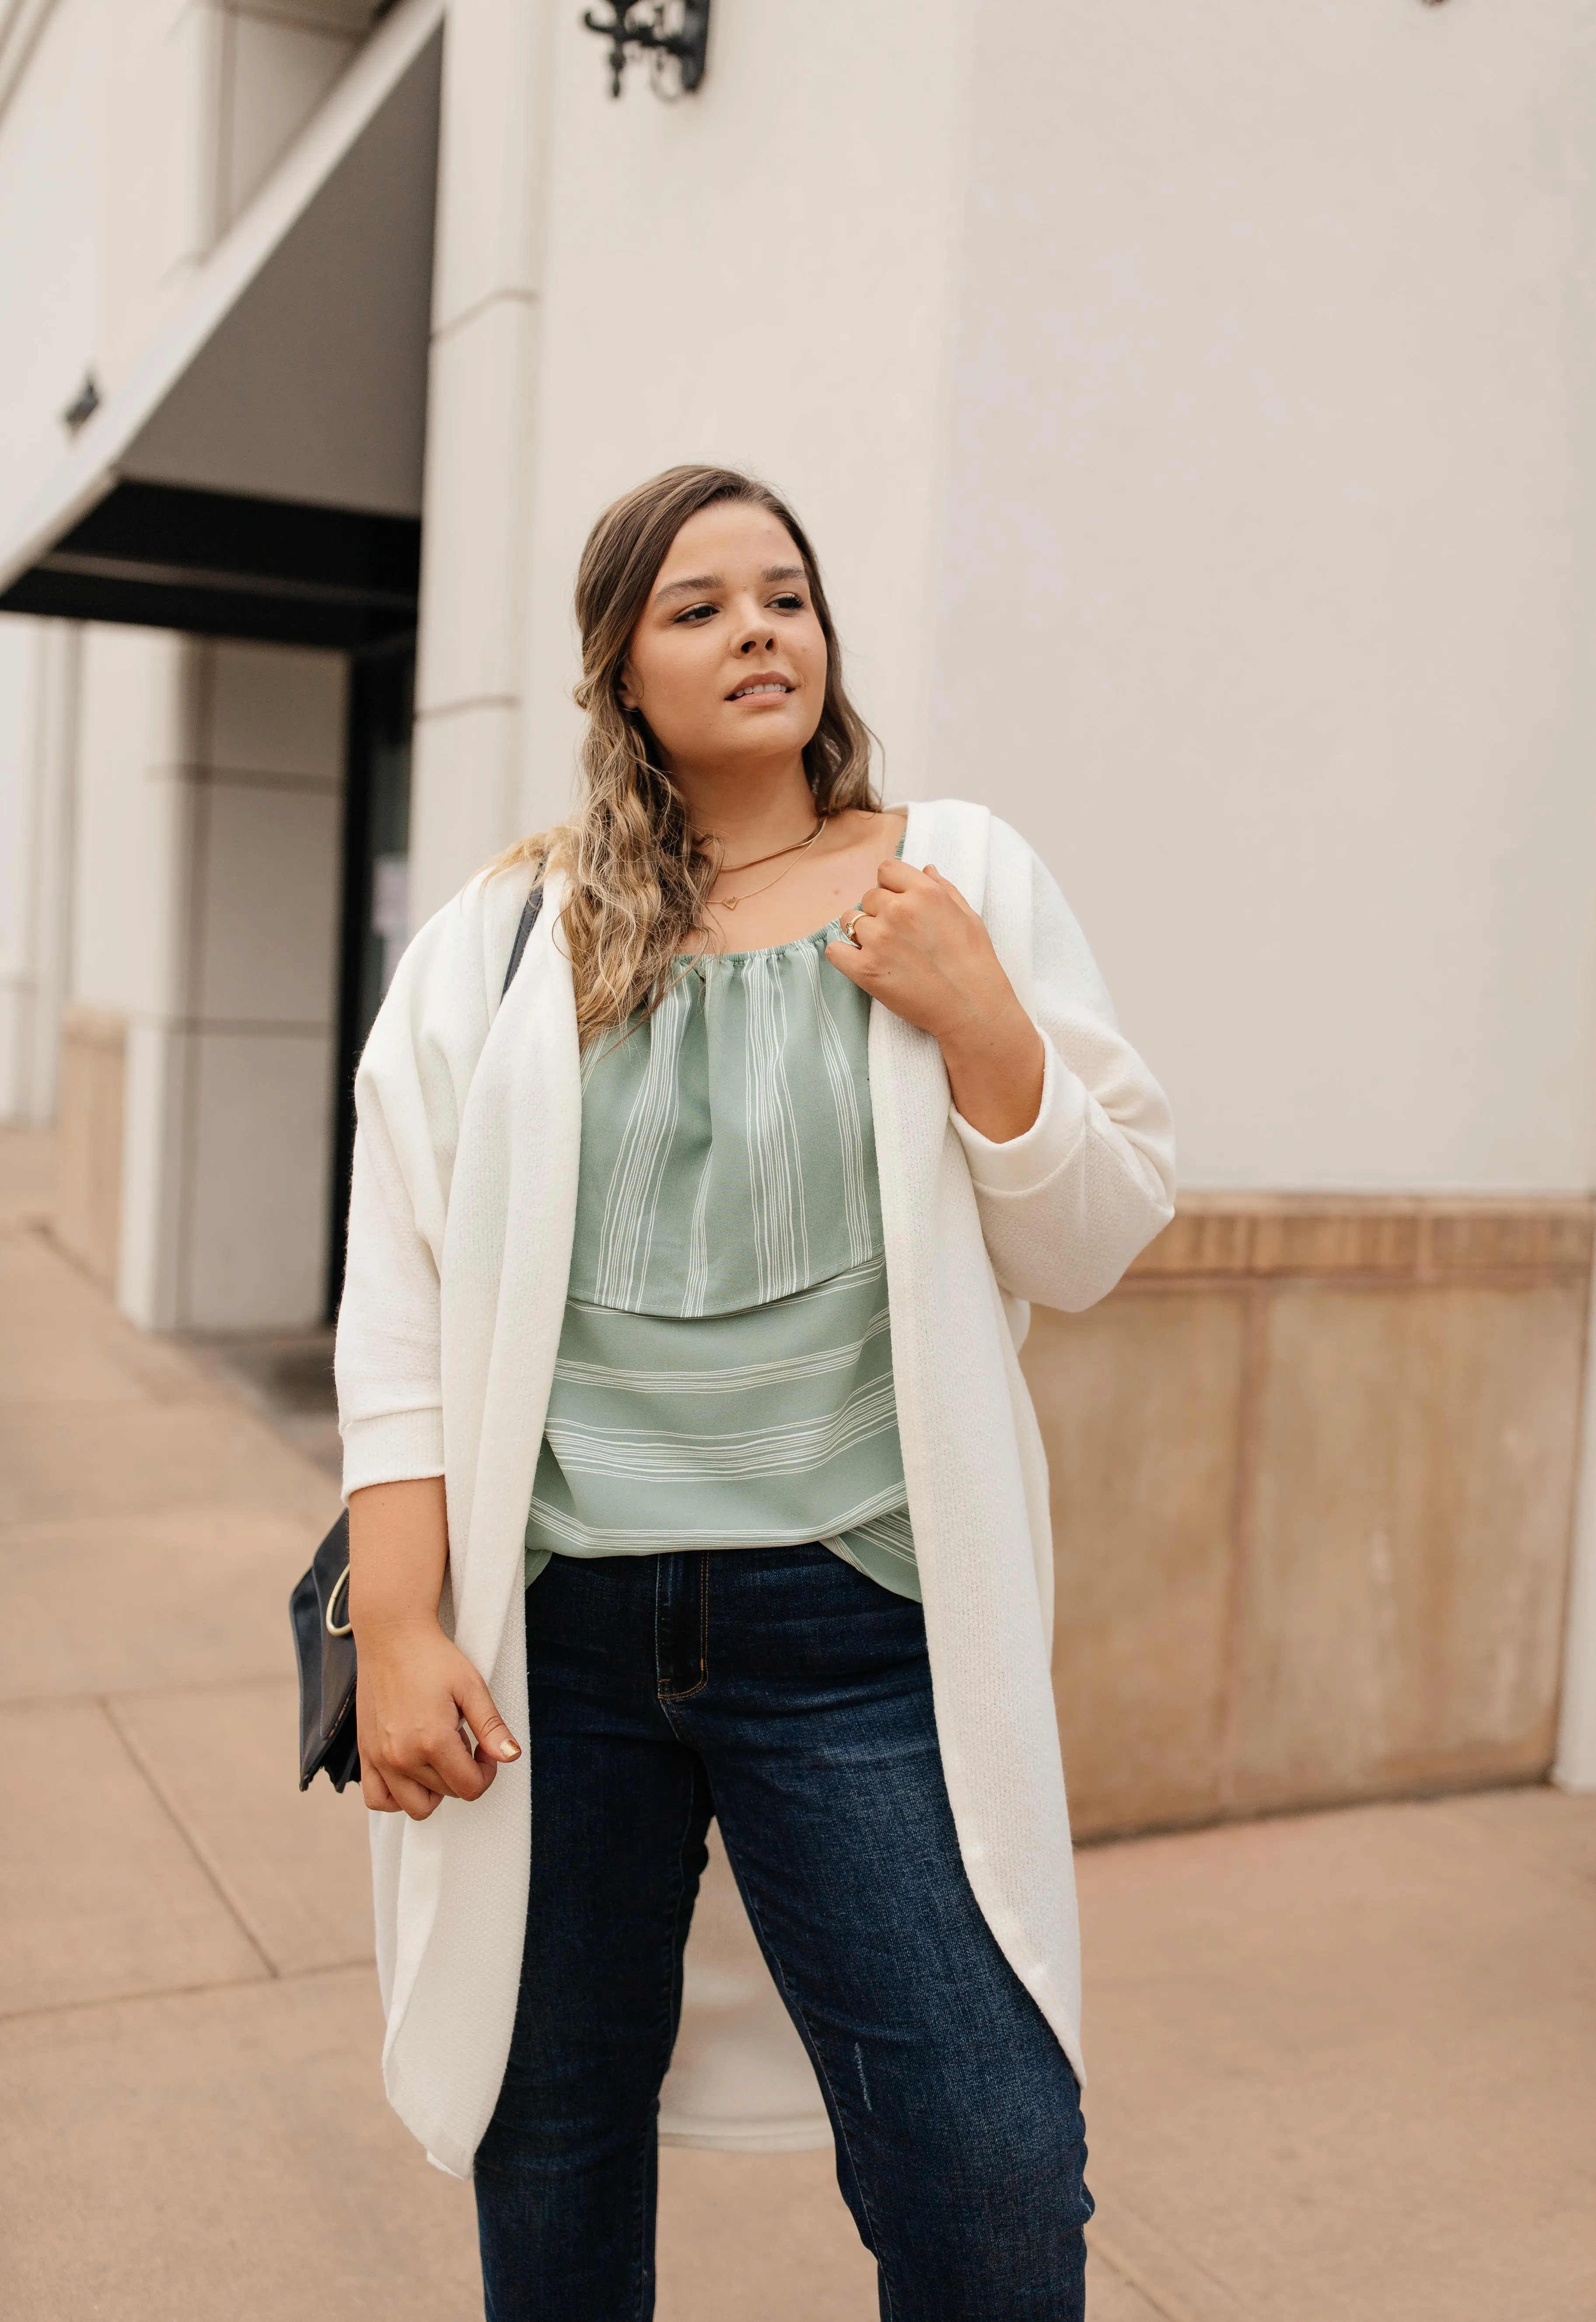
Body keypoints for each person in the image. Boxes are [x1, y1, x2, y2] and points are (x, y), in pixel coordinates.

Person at [336, 462, 1175, 2321]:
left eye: (784, 592)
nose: (758, 631)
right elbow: (397, 1284)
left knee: (989, 2171)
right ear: (621, 672)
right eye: (699, 606)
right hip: (554, 1642)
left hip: (861, 1622)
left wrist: (986, 1023)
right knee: (549, 2153)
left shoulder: (949, 877)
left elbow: (1099, 1236)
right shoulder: (505, 936)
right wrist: (393, 1616)